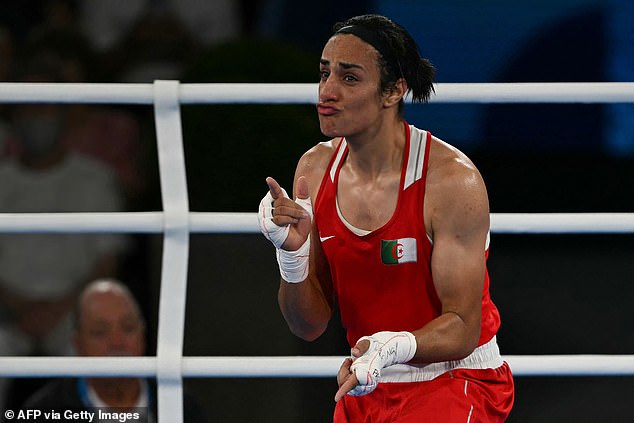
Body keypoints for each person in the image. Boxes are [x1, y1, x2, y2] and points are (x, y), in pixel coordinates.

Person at [258, 14, 514, 422]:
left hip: (456, 380)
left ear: (394, 90)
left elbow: (463, 327)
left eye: (349, 78)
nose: (327, 91)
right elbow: (308, 326)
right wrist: (291, 256)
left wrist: (392, 347)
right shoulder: (315, 170)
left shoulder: (450, 181)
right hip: (366, 379)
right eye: (324, 74)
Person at [0, 53, 129, 408]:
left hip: (77, 312)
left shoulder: (96, 180)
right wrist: (19, 308)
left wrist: (61, 310)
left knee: (106, 341)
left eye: (45, 105)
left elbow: (107, 264)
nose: (36, 115)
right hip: (5, 314)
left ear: (64, 113)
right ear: (11, 114)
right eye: (26, 106)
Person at [22, 278, 207, 423]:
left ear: (142, 335)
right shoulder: (44, 412)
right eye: (100, 332)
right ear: (78, 344)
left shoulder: (182, 407)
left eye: (127, 328)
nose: (117, 342)